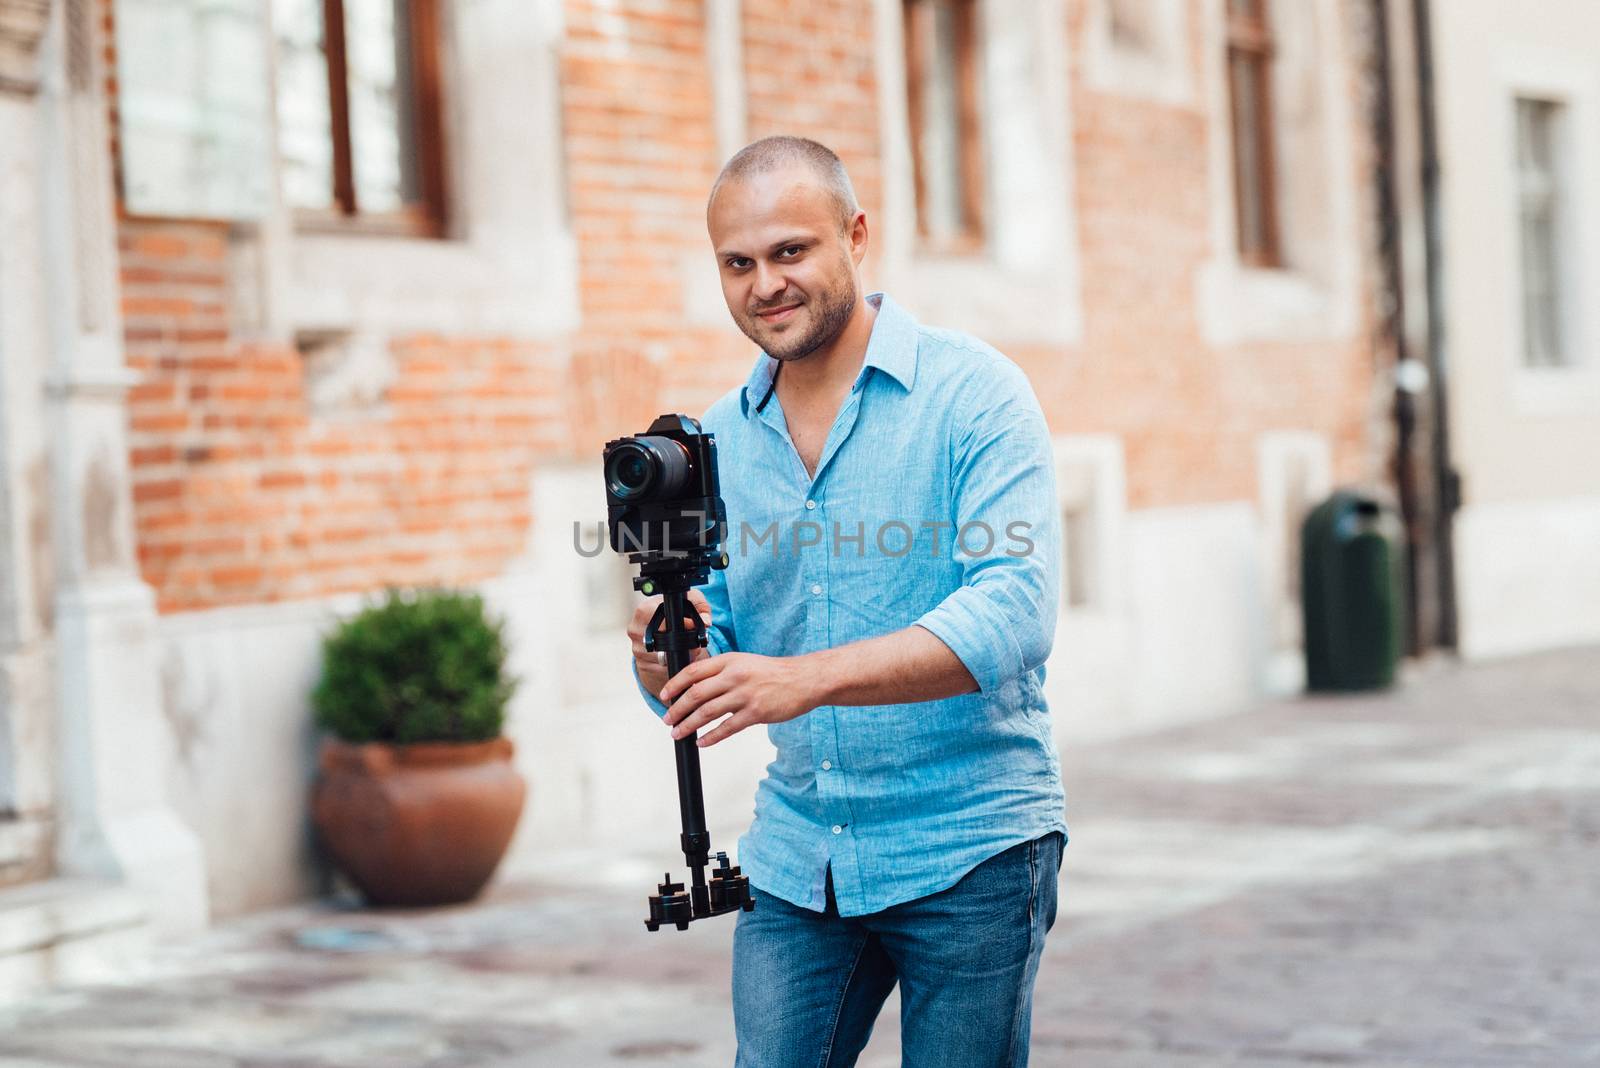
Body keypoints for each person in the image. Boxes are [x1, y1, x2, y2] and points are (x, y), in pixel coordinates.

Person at [627, 135, 1066, 1067]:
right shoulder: (713, 442)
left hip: (973, 847)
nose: (765, 284)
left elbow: (1016, 611)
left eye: (791, 252)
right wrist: (667, 657)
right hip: (801, 857)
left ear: (855, 236)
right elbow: (719, 659)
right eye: (737, 263)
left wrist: (804, 680)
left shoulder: (975, 395)